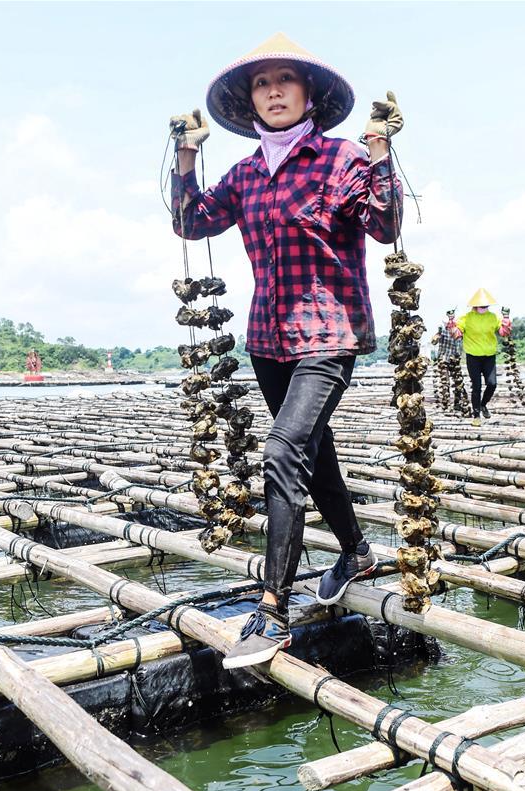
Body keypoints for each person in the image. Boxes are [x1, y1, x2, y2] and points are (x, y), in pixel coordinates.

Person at [169, 33, 403, 668]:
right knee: (310, 451)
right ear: (250, 103)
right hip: (268, 339)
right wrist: (185, 155)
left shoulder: (340, 158)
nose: (272, 90)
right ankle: (355, 552)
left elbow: (384, 226)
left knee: (282, 450)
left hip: (330, 332)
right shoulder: (245, 174)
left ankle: (273, 610)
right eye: (261, 83)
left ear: (308, 96)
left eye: (284, 80)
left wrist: (380, 151)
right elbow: (191, 222)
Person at [447, 288, 511, 426]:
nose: (484, 308)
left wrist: (506, 318)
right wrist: (451, 321)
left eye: (486, 306)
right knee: (476, 387)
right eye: (481, 306)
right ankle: (476, 416)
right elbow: (456, 334)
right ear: (475, 305)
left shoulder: (493, 317)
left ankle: (483, 405)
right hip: (473, 357)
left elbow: (504, 332)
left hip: (489, 356)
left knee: (492, 384)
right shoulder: (466, 318)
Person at [431, 316, 463, 410]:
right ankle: (446, 404)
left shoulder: (458, 331)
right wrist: (437, 335)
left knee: (458, 383)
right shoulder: (442, 332)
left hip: (454, 359)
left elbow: (460, 344)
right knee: (445, 383)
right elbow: (433, 341)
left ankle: (456, 404)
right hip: (444, 359)